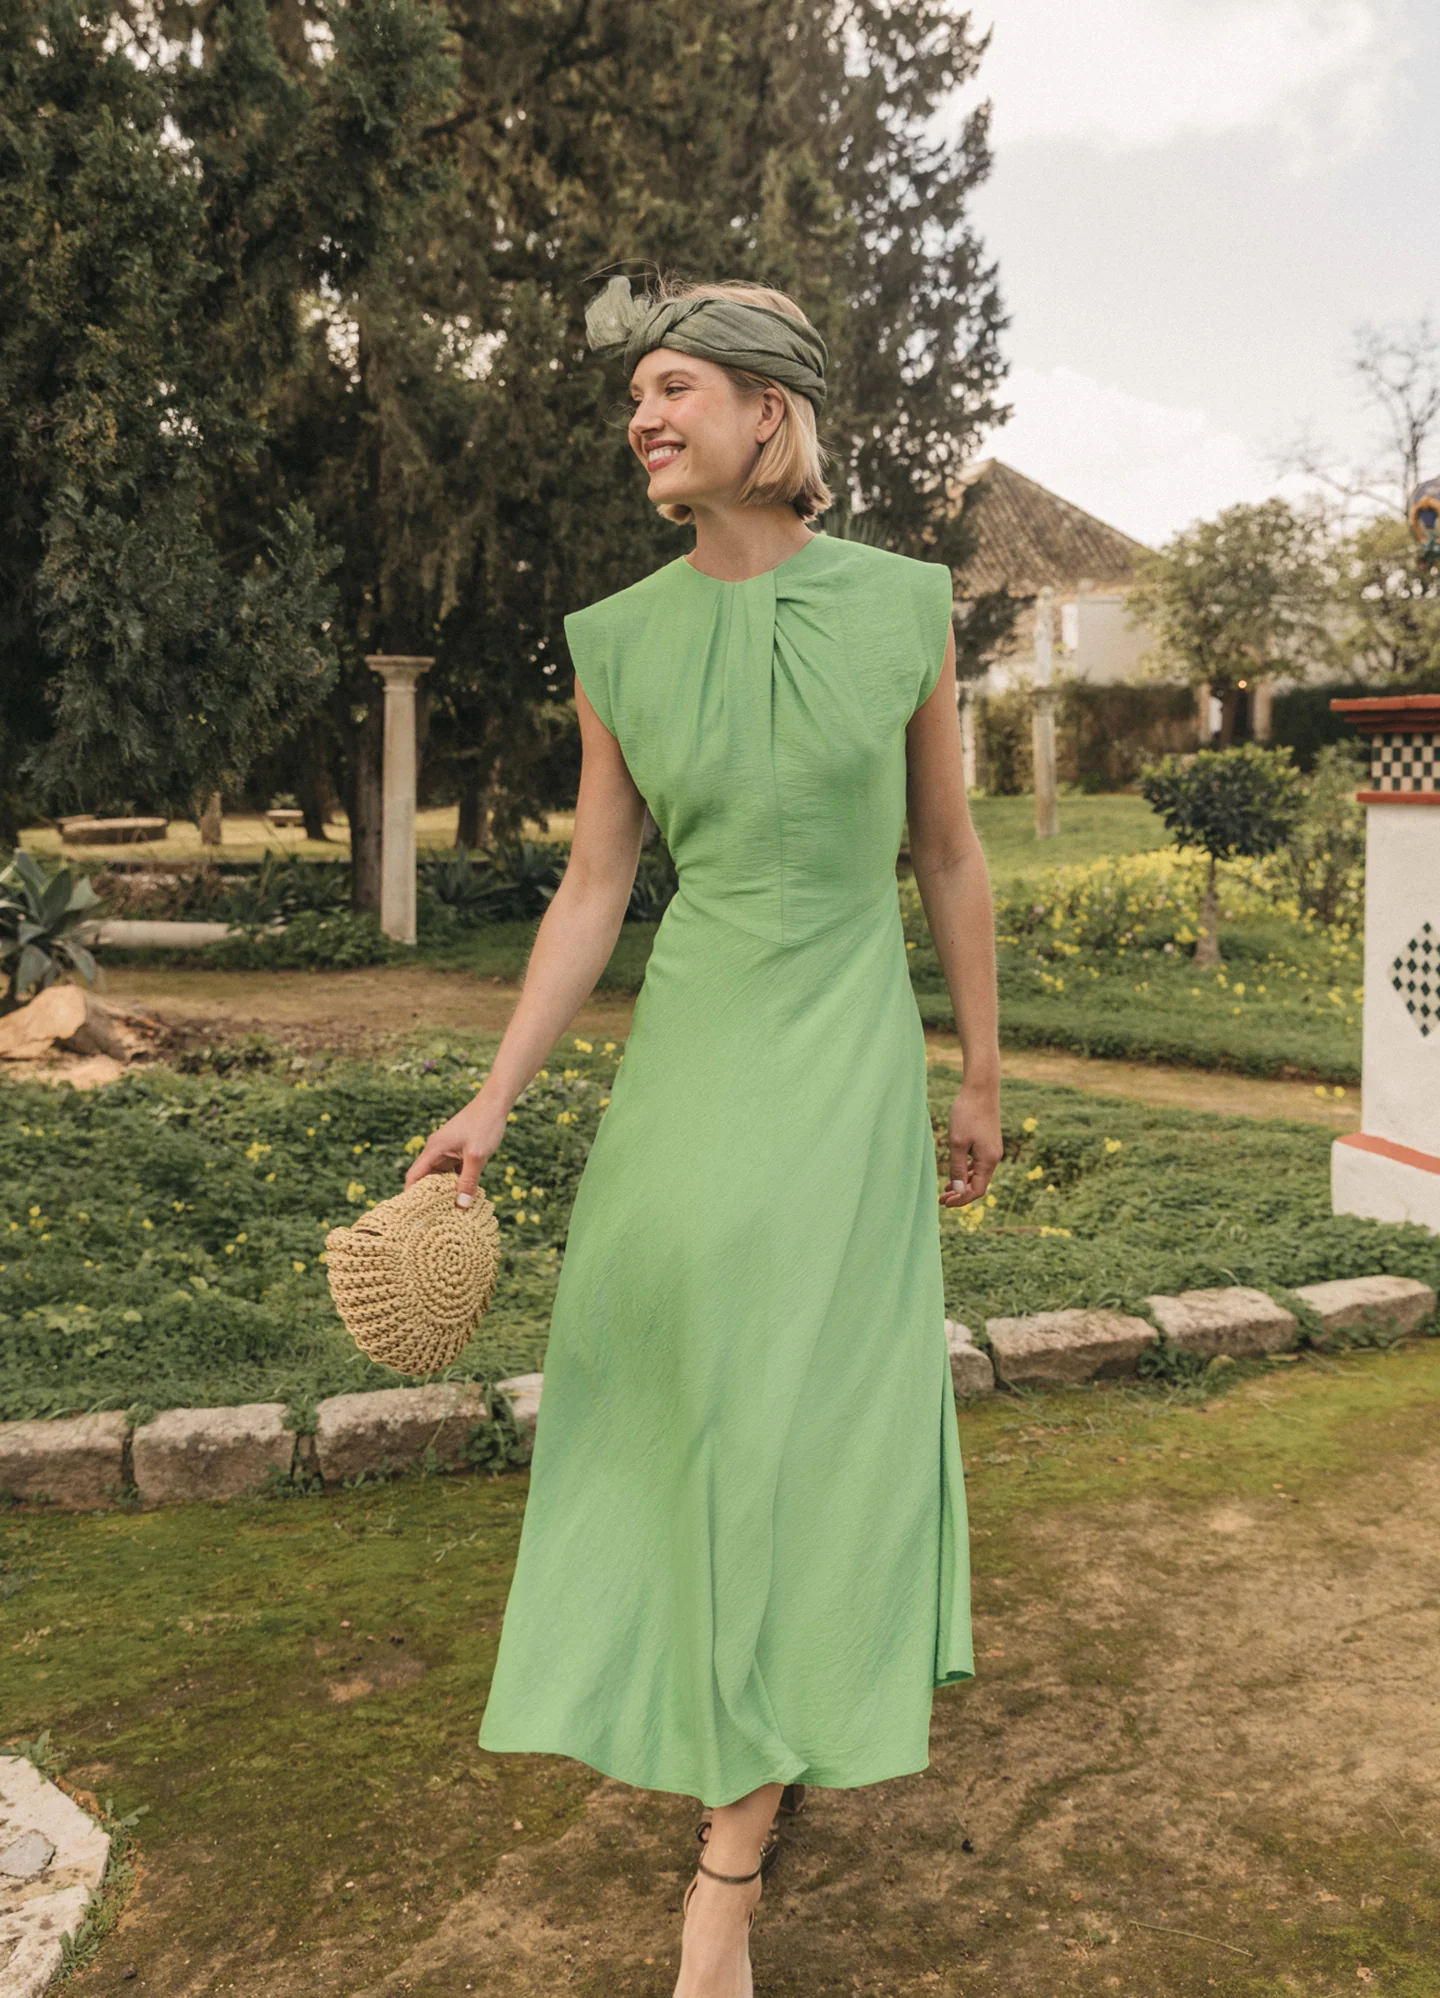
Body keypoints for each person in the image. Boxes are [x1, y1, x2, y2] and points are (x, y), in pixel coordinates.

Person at [405, 274, 1003, 1997]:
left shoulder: (904, 606)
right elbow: (598, 883)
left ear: (767, 412)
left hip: (847, 1061)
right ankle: (727, 1706)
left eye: (676, 388)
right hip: (697, 1053)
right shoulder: (617, 639)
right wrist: (495, 1097)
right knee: (672, 1378)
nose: (644, 418)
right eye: (639, 395)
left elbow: (947, 853)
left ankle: (725, 1871)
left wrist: (979, 1071)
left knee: (806, 1415)